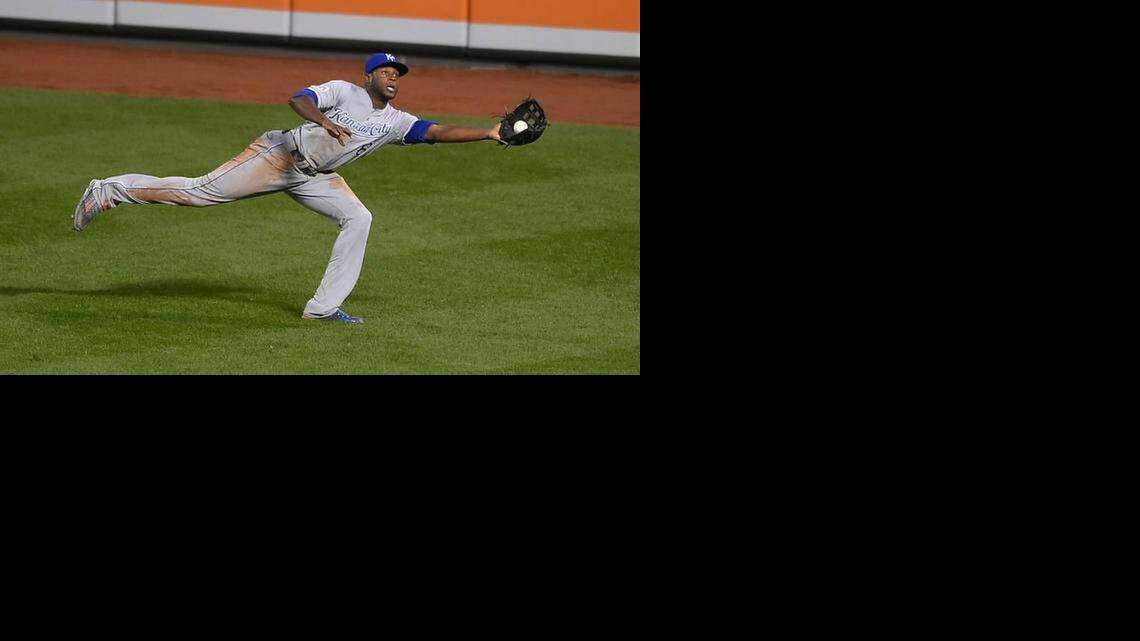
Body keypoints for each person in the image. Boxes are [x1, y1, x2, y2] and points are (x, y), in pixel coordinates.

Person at [73, 52, 503, 324]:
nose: (393, 78)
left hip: (316, 178)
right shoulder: (344, 91)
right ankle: (111, 188)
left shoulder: (396, 121)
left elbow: (435, 131)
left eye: (398, 74)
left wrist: (487, 134)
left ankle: (323, 308)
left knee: (358, 217)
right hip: (279, 155)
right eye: (386, 71)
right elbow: (298, 98)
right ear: (369, 75)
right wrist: (322, 119)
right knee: (198, 193)